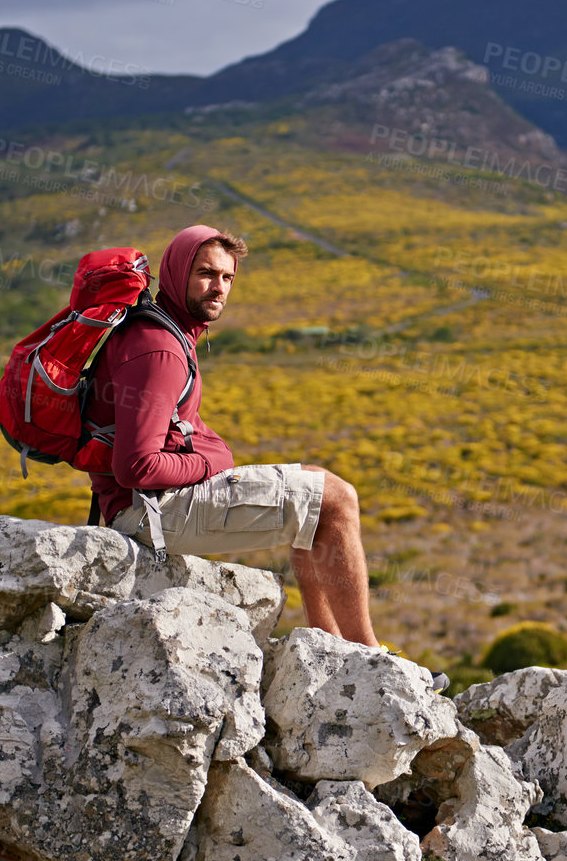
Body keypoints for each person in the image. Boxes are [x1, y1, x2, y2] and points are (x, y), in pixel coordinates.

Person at [89, 225, 431, 676]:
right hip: (150, 512)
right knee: (335, 498)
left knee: (313, 486)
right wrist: (215, 459)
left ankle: (331, 647)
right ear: (175, 274)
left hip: (147, 503)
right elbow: (135, 466)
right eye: (206, 274)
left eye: (228, 278)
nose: (219, 287)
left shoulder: (164, 332)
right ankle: (370, 658)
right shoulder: (159, 348)